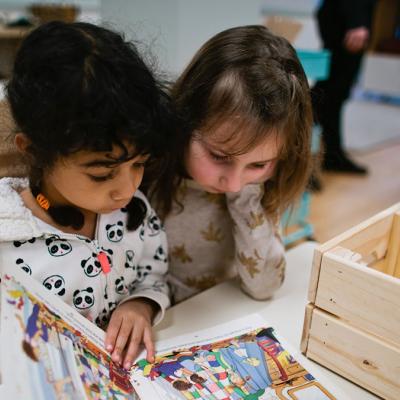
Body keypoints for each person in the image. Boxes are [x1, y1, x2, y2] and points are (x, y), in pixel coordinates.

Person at [0, 21, 175, 369]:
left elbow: (153, 274)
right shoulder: (7, 235)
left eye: (139, 164)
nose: (127, 189)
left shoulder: (133, 212)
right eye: (102, 173)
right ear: (35, 152)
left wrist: (141, 304)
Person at [147, 25, 313, 304]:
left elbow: (264, 286)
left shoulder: (255, 190)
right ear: (185, 120)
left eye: (258, 164)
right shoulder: (146, 170)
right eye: (220, 157)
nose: (234, 183)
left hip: (220, 313)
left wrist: (247, 201)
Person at [312, 0, 377, 174]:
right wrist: (356, 21)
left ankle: (331, 154)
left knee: (333, 93)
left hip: (345, 18)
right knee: (329, 93)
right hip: (345, 20)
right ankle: (311, 157)